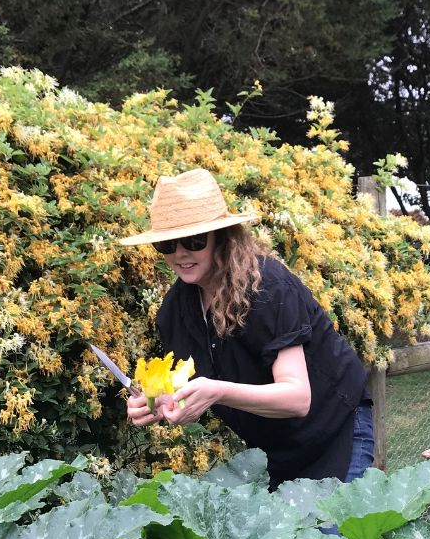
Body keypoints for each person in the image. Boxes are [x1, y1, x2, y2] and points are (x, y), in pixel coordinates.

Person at [121, 169, 370, 488]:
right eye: (167, 244)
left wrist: (217, 391)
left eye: (194, 241)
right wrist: (158, 403)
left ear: (222, 237)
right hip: (276, 449)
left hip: (338, 429)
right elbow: (193, 392)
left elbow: (297, 398)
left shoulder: (269, 287)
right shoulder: (175, 311)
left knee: (338, 522)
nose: (180, 253)